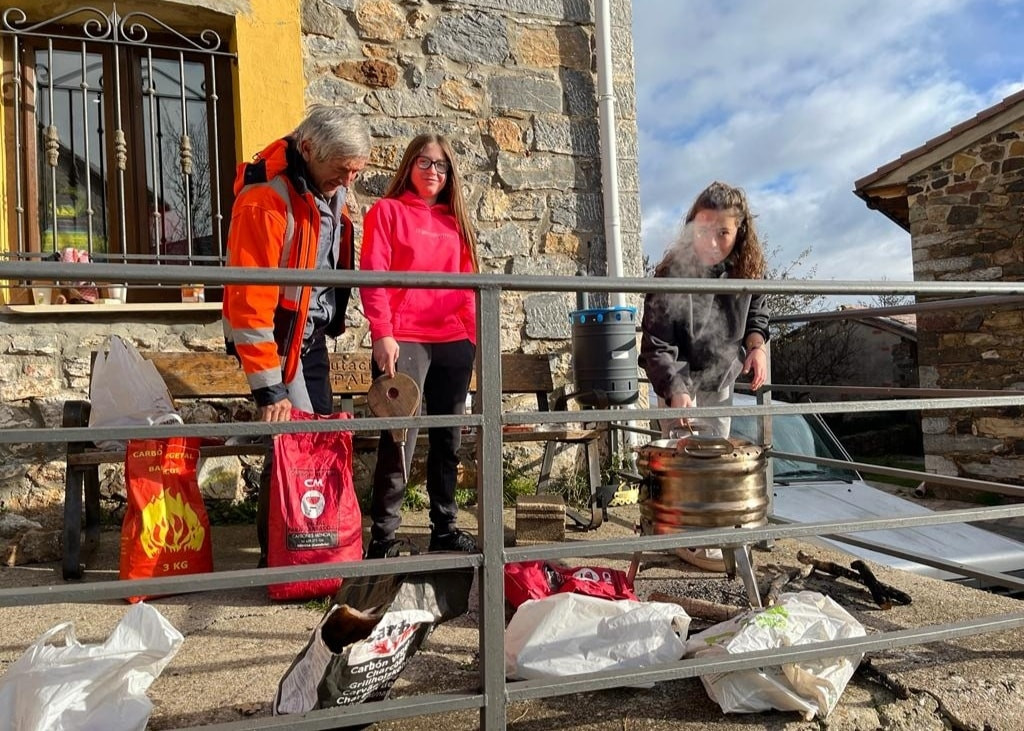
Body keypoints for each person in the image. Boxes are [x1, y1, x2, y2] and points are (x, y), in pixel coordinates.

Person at [221, 105, 370, 566]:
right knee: (293, 440)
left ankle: (311, 545)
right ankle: (281, 556)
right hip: (279, 337)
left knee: (311, 443)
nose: (347, 182)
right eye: (341, 171)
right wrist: (270, 391)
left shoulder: (328, 186)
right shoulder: (264, 199)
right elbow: (248, 301)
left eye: (355, 173)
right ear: (308, 149)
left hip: (312, 337)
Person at [639, 181, 770, 570]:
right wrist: (676, 390)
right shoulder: (668, 275)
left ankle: (707, 539)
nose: (711, 241)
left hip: (720, 378)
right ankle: (682, 540)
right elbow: (656, 345)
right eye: (703, 230)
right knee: (679, 462)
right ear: (690, 226)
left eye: (723, 232)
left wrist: (757, 344)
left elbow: (759, 311)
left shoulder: (748, 272)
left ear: (739, 233)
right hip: (675, 379)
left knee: (713, 462)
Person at [360, 133, 479, 559]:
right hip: (404, 336)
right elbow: (374, 275)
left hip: (452, 340)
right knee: (399, 440)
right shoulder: (386, 212)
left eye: (442, 166)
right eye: (425, 163)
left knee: (449, 441)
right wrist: (382, 333)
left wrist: (472, 338)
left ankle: (444, 529)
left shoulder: (456, 221)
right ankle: (384, 539)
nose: (433, 172)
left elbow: (469, 285)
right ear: (409, 165)